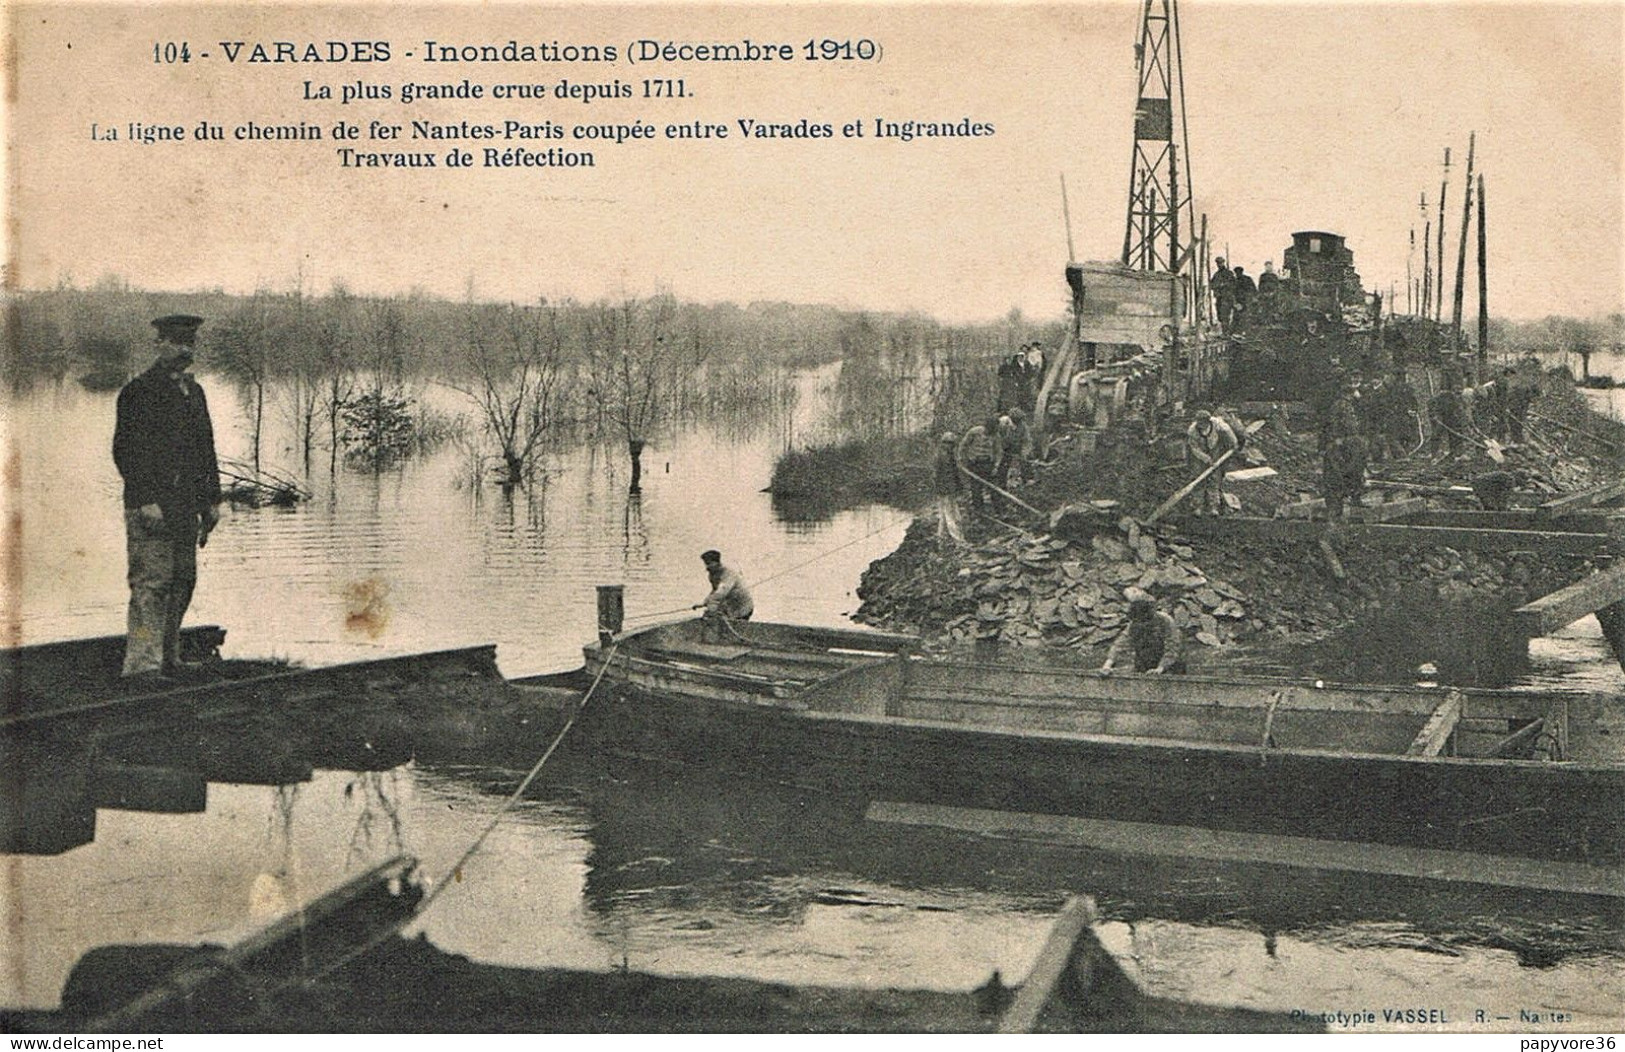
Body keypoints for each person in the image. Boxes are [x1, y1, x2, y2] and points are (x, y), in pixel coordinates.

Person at [113, 314, 222, 684]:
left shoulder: (195, 393)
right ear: (158, 344)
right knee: (151, 584)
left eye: (189, 343)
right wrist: (145, 500)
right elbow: (126, 453)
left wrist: (211, 501)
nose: (184, 350)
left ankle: (169, 658)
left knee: (183, 581)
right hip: (151, 506)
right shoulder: (138, 392)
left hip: (185, 506)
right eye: (176, 342)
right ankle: (142, 666)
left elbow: (205, 451)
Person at [1100, 590, 1187, 675]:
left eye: (1144, 622)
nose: (1142, 624)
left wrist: (1161, 668)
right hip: (1145, 663)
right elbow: (1120, 644)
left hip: (1171, 666)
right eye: (1139, 622)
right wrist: (1107, 664)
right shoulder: (1135, 623)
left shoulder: (1166, 621)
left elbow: (1172, 648)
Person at [1322, 383, 1369, 520]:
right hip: (1342, 443)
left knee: (1352, 471)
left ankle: (1351, 500)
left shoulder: (1348, 405)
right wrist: (1337, 438)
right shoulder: (1342, 405)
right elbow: (1335, 423)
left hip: (1348, 442)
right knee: (1339, 474)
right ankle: (1338, 507)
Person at [1185, 409, 1238, 516]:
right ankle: (1197, 506)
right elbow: (1194, 449)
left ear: (1208, 421)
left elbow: (1230, 436)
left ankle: (1213, 507)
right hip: (1199, 453)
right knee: (1198, 478)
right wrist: (1206, 459)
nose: (1201, 425)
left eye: (1203, 423)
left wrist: (1233, 445)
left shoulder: (1219, 425)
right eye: (1199, 423)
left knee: (1214, 479)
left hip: (1214, 448)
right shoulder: (1192, 431)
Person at [694, 549, 754, 640]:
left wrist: (712, 606)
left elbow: (722, 592)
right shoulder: (712, 575)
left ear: (717, 562)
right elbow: (714, 591)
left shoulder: (728, 574)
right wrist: (704, 602)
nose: (707, 567)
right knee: (724, 629)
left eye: (709, 563)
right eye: (706, 564)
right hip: (730, 606)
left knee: (736, 633)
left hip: (743, 607)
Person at [956, 415, 1004, 510]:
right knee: (976, 488)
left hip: (988, 464)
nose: (995, 430)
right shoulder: (974, 432)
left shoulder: (996, 436)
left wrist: (996, 466)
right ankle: (979, 510)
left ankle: (998, 509)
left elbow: (999, 452)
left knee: (994, 487)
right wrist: (960, 458)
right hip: (975, 464)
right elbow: (963, 445)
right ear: (988, 426)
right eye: (994, 427)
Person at [933, 431, 965, 542]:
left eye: (952, 444)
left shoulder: (949, 456)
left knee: (944, 513)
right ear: (944, 444)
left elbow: (955, 474)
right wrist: (945, 490)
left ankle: (940, 535)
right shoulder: (941, 457)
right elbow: (940, 476)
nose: (951, 447)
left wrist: (959, 487)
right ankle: (957, 538)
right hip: (945, 489)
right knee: (951, 514)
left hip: (949, 489)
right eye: (949, 444)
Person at [1210, 257, 1235, 332]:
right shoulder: (1216, 275)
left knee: (1225, 315)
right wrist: (1217, 286)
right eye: (1218, 263)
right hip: (1219, 297)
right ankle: (1225, 331)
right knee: (1220, 315)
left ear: (1223, 263)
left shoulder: (1229, 273)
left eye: (1221, 263)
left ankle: (1226, 332)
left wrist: (1223, 285)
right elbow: (1212, 285)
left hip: (1226, 297)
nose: (1219, 264)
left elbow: (1233, 284)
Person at [1231, 266, 1257, 332]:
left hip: (1247, 300)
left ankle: (1245, 332)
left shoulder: (1246, 279)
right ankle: (1238, 332)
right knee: (1239, 317)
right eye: (1237, 273)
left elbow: (1253, 290)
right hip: (1241, 301)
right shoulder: (1236, 281)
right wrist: (1235, 303)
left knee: (1246, 317)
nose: (1237, 274)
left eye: (1238, 272)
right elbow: (1233, 293)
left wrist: (1253, 298)